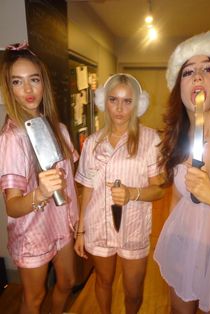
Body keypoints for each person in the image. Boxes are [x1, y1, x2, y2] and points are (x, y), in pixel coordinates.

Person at [153, 31, 210, 314]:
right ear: (180, 87)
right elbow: (178, 201)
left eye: (209, 68)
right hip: (184, 252)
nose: (198, 76)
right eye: (188, 71)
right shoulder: (177, 142)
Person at [74, 73, 165, 314]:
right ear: (105, 101)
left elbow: (158, 189)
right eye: (113, 99)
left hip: (132, 226)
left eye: (127, 101)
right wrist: (80, 230)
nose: (120, 108)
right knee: (103, 281)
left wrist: (133, 193)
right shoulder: (92, 142)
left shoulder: (150, 140)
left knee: (133, 292)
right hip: (98, 225)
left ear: (137, 104)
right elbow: (87, 188)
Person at [0, 43, 79, 314]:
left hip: (60, 223)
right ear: (8, 89)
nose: (28, 90)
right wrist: (40, 193)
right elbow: (12, 206)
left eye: (34, 80)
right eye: (17, 82)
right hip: (32, 231)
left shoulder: (58, 129)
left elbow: (70, 179)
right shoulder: (12, 138)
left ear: (43, 83)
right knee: (34, 299)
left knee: (67, 281)